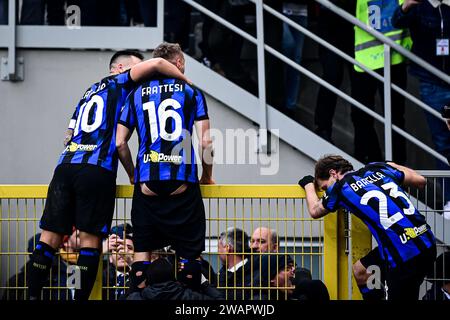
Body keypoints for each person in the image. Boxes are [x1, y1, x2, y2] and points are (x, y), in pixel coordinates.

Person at [26, 50, 191, 301]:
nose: (140, 78)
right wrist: (186, 83)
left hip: (65, 167)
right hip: (96, 169)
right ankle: (79, 299)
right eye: (137, 71)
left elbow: (67, 135)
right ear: (120, 68)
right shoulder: (120, 81)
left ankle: (32, 296)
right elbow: (157, 63)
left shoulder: (88, 92)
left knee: (48, 239)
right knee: (89, 244)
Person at [116, 42, 214, 294]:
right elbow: (206, 141)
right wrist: (207, 176)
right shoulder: (191, 92)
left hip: (147, 184)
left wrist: (132, 175)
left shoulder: (135, 93)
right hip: (181, 184)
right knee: (189, 256)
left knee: (141, 253)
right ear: (179, 63)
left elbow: (120, 143)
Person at [298, 154, 437, 300]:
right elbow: (421, 181)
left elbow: (314, 210)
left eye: (325, 187)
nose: (327, 191)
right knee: (361, 271)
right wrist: (392, 165)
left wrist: (308, 183)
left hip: (403, 255)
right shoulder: (377, 168)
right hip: (426, 241)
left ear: (333, 173)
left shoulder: (339, 188)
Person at [392, 0, 450, 218]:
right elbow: (397, 21)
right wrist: (407, 5)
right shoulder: (420, 6)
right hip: (431, 83)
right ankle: (448, 200)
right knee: (443, 144)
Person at [351, 0, 411, 164]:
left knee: (395, 119)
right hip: (366, 59)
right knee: (361, 116)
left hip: (394, 58)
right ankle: (375, 163)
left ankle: (396, 169)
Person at [127, 257, 223, 300]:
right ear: (173, 276)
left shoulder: (137, 297)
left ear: (148, 279)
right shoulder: (188, 296)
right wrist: (204, 284)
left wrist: (134, 282)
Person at [217, 227, 253, 300]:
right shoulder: (254, 270)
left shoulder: (252, 277)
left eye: (218, 247)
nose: (218, 252)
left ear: (227, 248)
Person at [102, 224, 134, 300]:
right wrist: (100, 252)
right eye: (116, 249)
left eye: (128, 248)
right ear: (110, 258)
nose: (121, 252)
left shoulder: (144, 274)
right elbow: (79, 281)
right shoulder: (102, 275)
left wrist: (130, 261)